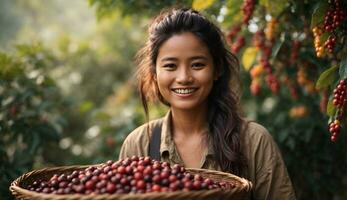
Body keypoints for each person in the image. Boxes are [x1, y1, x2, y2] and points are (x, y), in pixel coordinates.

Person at [119, 8, 296, 199]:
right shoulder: (138, 145)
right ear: (155, 73)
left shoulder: (253, 141)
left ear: (217, 69)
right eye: (170, 66)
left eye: (197, 65)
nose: (184, 78)